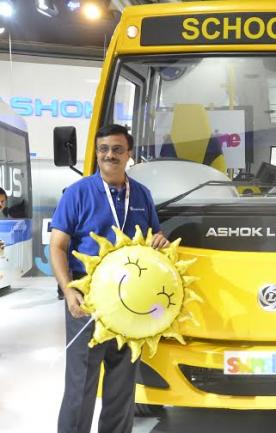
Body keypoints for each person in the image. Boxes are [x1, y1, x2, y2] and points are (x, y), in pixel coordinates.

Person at [50, 124, 170, 433]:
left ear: (129, 154)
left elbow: (154, 235)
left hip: (132, 299)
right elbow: (58, 246)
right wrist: (68, 290)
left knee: (122, 380)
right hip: (88, 296)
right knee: (81, 381)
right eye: (103, 149)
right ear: (97, 153)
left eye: (117, 149)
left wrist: (160, 240)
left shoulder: (141, 194)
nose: (109, 155)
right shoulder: (78, 193)